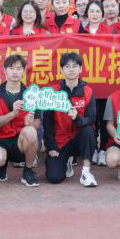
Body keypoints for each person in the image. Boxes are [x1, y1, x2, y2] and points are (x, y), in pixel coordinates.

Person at [0, 53, 42, 186]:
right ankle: (2, 166)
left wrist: (29, 124)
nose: (15, 72)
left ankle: (28, 171)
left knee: (31, 131)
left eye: (18, 68)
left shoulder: (33, 93)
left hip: (19, 141)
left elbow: (37, 124)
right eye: (11, 68)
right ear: (4, 70)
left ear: (24, 70)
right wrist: (13, 113)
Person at [43, 52, 97, 186]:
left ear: (80, 69)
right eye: (67, 66)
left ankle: (86, 172)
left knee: (88, 130)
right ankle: (66, 162)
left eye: (74, 66)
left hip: (79, 139)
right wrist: (51, 146)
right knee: (54, 178)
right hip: (61, 140)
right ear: (61, 70)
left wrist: (77, 118)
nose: (71, 69)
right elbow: (48, 122)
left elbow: (91, 119)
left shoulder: (88, 91)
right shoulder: (54, 92)